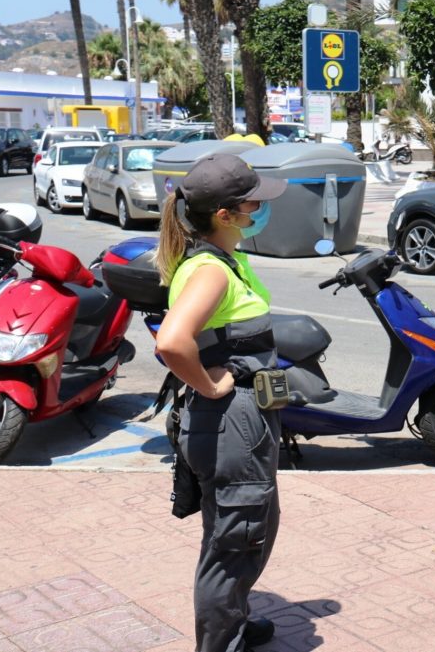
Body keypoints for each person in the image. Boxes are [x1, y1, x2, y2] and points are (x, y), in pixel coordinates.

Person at [154, 154, 287, 652]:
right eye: (254, 203)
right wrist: (209, 387)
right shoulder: (210, 270)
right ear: (226, 215)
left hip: (243, 424)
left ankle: (232, 619)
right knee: (235, 542)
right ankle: (219, 642)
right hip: (233, 423)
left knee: (241, 529)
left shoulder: (225, 259)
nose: (261, 209)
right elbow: (171, 342)